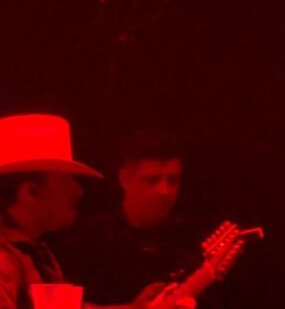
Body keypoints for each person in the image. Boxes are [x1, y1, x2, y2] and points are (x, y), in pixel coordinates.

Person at [0, 114, 168, 309]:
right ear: (31, 192)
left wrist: (135, 308)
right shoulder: (4, 261)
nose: (78, 190)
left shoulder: (32, 252)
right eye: (67, 180)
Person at [53, 128, 216, 309]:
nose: (165, 190)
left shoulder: (189, 242)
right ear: (124, 179)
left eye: (173, 180)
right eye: (152, 180)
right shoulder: (90, 238)